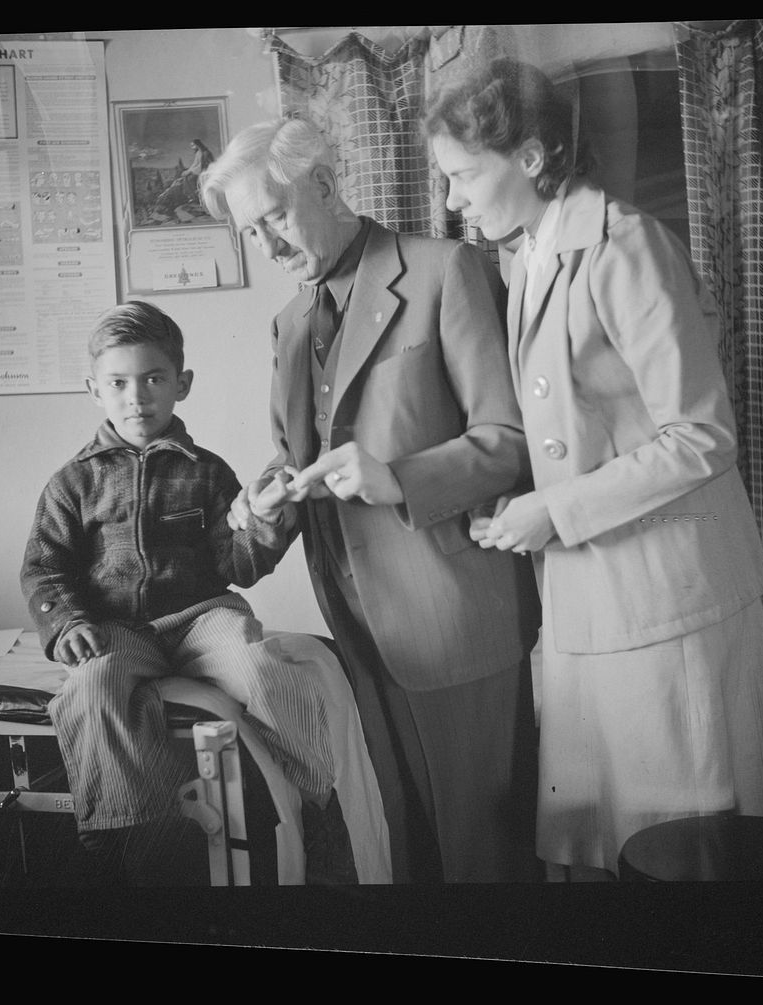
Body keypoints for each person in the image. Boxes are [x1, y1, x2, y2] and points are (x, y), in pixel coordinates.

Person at [424, 58, 763, 881]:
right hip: (594, 594)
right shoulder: (524, 255)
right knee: (615, 841)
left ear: (530, 158)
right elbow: (574, 424)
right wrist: (511, 501)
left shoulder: (625, 244)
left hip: (669, 593)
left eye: (461, 176)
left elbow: (702, 434)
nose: (452, 201)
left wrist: (554, 512)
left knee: (684, 845)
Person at [199, 117, 542, 884]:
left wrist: (399, 477)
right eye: (251, 232)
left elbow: (512, 442)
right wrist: (267, 502)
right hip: (355, 634)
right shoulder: (289, 324)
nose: (269, 245)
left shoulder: (445, 270)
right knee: (410, 854)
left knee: (485, 863)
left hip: (454, 621)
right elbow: (305, 463)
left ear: (324, 182)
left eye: (276, 216)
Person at [20, 300, 349, 885]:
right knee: (93, 686)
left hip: (202, 617)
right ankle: (127, 832)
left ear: (182, 384)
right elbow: (45, 567)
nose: (137, 397)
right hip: (115, 626)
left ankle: (316, 798)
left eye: (153, 379)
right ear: (94, 390)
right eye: (118, 383)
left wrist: (269, 522)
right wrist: (66, 622)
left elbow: (237, 563)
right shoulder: (73, 482)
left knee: (259, 665)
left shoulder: (208, 471)